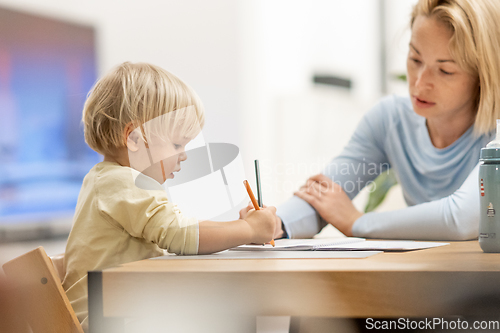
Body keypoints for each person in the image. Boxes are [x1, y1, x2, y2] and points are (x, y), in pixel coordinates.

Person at [62, 62, 278, 331]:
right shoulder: (120, 182)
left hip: (119, 312)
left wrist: (243, 229)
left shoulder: (106, 179)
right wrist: (248, 229)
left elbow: (178, 229)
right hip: (109, 321)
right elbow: (179, 234)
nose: (184, 154)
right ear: (135, 139)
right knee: (235, 310)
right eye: (177, 144)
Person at [274, 0, 500, 241]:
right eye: (415, 59)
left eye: (445, 71)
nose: (419, 83)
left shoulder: (496, 133)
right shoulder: (389, 120)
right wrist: (274, 224)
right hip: (428, 274)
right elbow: (324, 196)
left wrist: (357, 222)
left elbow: (463, 219)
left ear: (482, 75)